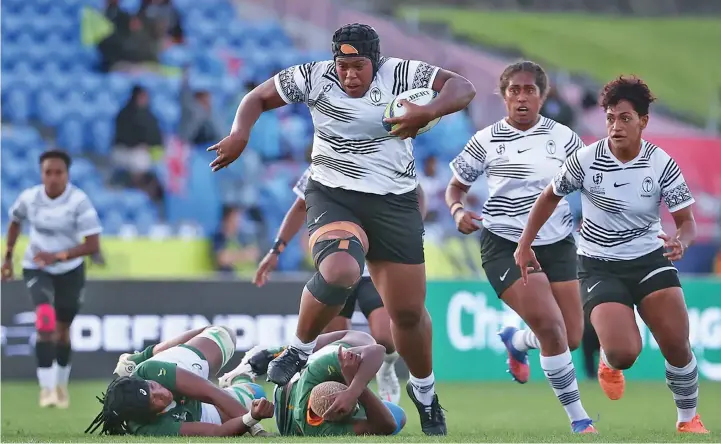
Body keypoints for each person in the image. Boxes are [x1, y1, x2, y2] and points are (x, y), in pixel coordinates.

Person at [208, 23, 475, 435]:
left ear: (376, 61)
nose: (349, 74)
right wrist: (240, 132)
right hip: (333, 194)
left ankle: (425, 394)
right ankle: (297, 350)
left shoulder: (401, 73)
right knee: (340, 271)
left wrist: (429, 110)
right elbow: (257, 97)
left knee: (407, 314)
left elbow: (462, 87)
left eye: (359, 66)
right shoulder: (315, 76)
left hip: (394, 200)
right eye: (343, 65)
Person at [514, 75, 709, 434]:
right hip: (599, 265)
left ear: (643, 122)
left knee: (677, 343)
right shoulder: (586, 160)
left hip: (650, 260)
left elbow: (687, 222)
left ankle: (687, 419)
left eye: (624, 118)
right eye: (609, 118)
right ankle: (609, 359)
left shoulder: (661, 163)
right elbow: (549, 196)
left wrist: (682, 239)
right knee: (624, 354)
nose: (615, 126)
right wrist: (525, 243)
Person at [445, 61, 596, 434]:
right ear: (503, 95)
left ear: (542, 96)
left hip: (557, 242)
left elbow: (593, 184)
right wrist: (457, 210)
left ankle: (516, 339)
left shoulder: (565, 139)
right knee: (551, 327)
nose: (522, 96)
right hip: (504, 244)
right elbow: (455, 186)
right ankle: (579, 419)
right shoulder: (485, 140)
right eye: (515, 90)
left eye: (530, 90)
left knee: (572, 337)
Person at [253, 167, 428, 403]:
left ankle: (387, 366)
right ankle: (340, 397)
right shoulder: (324, 164)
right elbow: (300, 206)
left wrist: (410, 230)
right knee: (338, 346)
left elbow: (416, 193)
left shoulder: (386, 156)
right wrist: (276, 250)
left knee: (386, 338)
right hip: (339, 264)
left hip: (373, 269)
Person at [2, 150, 102, 409]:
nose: (53, 178)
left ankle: (60, 384)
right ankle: (46, 390)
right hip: (37, 267)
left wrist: (59, 256)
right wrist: (8, 257)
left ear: (67, 175)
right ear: (41, 173)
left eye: (59, 172)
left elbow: (92, 245)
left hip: (70, 270)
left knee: (62, 331)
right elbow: (15, 221)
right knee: (45, 321)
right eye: (48, 172)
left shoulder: (79, 201)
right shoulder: (29, 198)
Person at [86, 325, 273, 436]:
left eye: (152, 387)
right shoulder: (149, 428)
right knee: (256, 395)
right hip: (196, 410)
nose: (162, 393)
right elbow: (217, 433)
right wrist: (252, 417)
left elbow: (212, 393)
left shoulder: (151, 372)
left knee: (224, 334)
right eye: (155, 400)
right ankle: (241, 375)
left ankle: (142, 356)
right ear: (149, 415)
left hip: (182, 369)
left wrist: (256, 429)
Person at [230, 330, 405, 436]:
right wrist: (354, 389)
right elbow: (387, 425)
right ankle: (285, 353)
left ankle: (288, 351)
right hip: (288, 417)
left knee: (361, 340)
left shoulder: (317, 370)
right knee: (397, 415)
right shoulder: (321, 429)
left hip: (288, 396)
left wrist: (352, 390)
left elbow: (376, 350)